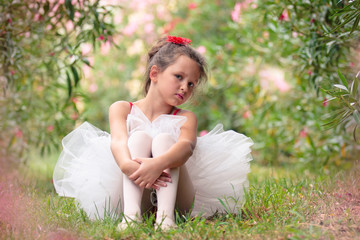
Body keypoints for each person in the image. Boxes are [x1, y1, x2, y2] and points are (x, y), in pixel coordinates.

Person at [53, 36, 253, 230]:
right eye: (179, 77)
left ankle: (166, 219)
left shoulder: (186, 118)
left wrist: (157, 165)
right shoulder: (122, 109)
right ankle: (131, 216)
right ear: (155, 74)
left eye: (191, 84)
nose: (185, 87)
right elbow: (119, 142)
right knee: (139, 137)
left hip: (177, 203)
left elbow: (186, 147)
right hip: (133, 191)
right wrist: (129, 166)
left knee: (165, 140)